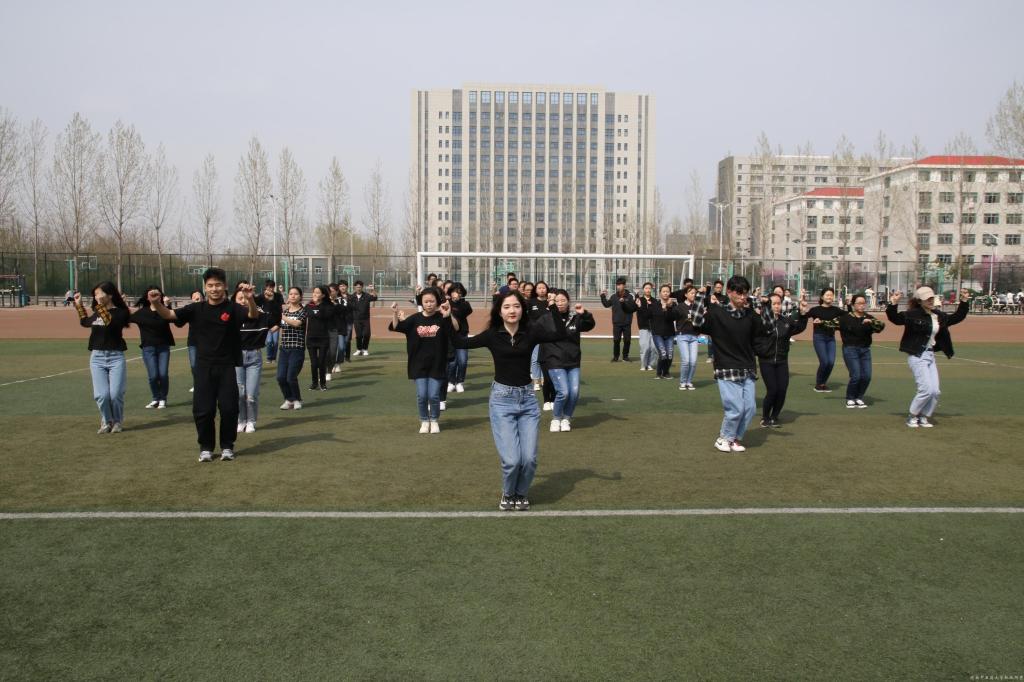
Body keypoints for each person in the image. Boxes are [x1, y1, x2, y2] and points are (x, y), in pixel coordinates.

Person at [453, 290, 567, 511]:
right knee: (512, 460)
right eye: (506, 307)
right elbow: (459, 342)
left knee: (529, 459)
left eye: (516, 306)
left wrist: (553, 308)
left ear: (522, 309)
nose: (512, 310)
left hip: (528, 400)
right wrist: (447, 316)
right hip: (502, 401)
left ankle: (521, 494)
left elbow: (559, 334)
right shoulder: (492, 335)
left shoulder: (531, 332)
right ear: (499, 311)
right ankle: (508, 493)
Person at [149, 268, 259, 462]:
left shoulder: (233, 308)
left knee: (229, 409)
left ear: (225, 286)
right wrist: (156, 303)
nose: (214, 289)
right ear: (205, 287)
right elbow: (169, 315)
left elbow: (252, 315)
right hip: (203, 368)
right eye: (210, 285)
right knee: (203, 410)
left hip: (227, 367)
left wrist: (250, 299)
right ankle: (206, 448)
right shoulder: (196, 309)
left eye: (218, 285)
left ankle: (227, 447)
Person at [691, 276, 767, 452]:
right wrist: (700, 297)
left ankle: (733, 439)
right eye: (739, 293)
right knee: (735, 408)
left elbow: (763, 332)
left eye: (745, 293)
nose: (743, 297)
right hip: (726, 366)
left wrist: (766, 307)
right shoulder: (716, 313)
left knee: (750, 408)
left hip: (747, 367)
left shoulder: (750, 315)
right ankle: (723, 438)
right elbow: (696, 322)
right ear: (729, 292)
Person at [886, 286, 970, 428]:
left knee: (935, 391)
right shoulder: (912, 314)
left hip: (930, 354)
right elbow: (895, 319)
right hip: (917, 355)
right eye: (927, 299)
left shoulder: (938, 315)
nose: (930, 301)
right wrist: (893, 303)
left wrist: (964, 301)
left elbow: (956, 317)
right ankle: (912, 416)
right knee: (926, 389)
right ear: (920, 301)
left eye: (932, 298)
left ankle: (924, 416)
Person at [389, 288, 454, 434]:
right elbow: (396, 326)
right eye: (426, 301)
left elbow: (455, 328)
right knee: (422, 395)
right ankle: (424, 420)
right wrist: (394, 313)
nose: (429, 304)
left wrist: (449, 315)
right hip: (418, 364)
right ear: (421, 303)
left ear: (437, 302)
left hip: (437, 364)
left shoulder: (442, 318)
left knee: (434, 395)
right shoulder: (415, 319)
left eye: (432, 301)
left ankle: (434, 420)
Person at [74, 282, 130, 434]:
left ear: (110, 295)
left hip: (115, 357)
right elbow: (85, 322)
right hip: (97, 357)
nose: (96, 296)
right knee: (102, 395)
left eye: (99, 293)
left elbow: (109, 322)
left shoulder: (121, 312)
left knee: (116, 394)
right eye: (95, 294)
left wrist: (99, 306)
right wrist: (79, 306)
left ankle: (117, 421)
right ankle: (107, 421)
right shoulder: (98, 311)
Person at [539, 290, 595, 432]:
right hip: (554, 361)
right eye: (557, 301)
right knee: (563, 392)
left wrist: (584, 314)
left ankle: (566, 419)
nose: (560, 303)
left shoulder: (575, 317)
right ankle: (556, 418)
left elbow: (589, 325)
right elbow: (533, 331)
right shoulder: (547, 318)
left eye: (563, 300)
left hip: (573, 361)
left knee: (574, 392)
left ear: (568, 301)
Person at [754, 293, 809, 427]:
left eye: (779, 303)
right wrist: (761, 351)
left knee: (782, 390)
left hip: (782, 361)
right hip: (766, 361)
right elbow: (753, 339)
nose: (777, 306)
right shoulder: (761, 321)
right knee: (772, 390)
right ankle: (765, 418)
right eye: (773, 304)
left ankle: (774, 417)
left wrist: (803, 314)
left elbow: (799, 327)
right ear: (768, 306)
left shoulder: (786, 321)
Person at [236, 287, 278, 433]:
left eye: (245, 298)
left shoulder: (260, 316)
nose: (243, 301)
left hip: (254, 356)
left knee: (251, 394)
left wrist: (270, 302)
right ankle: (241, 420)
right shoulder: (231, 317)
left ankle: (251, 421)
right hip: (236, 357)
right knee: (239, 393)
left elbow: (275, 320)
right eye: (240, 298)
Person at [837, 294, 885, 409]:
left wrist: (871, 322)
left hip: (865, 350)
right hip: (850, 349)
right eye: (859, 303)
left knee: (867, 376)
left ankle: (859, 397)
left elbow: (881, 326)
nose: (862, 305)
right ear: (853, 305)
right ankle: (850, 398)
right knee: (856, 375)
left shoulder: (869, 317)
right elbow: (831, 323)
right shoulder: (845, 318)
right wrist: (820, 322)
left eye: (863, 303)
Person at [131, 285, 175, 409]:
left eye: (157, 294)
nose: (155, 296)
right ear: (147, 297)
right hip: (148, 348)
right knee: (153, 376)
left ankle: (163, 399)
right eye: (152, 294)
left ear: (161, 297)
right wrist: (120, 303)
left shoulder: (164, 311)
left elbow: (173, 319)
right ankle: (156, 398)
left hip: (163, 347)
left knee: (163, 374)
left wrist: (168, 306)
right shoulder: (142, 313)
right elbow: (125, 318)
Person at [806, 287, 843, 392]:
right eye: (827, 295)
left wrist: (849, 305)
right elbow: (803, 316)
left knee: (831, 362)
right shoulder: (815, 310)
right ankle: (819, 384)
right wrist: (802, 308)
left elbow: (848, 316)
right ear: (822, 297)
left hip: (831, 338)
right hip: (819, 337)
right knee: (825, 362)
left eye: (831, 295)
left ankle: (823, 383)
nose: (829, 297)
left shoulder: (836, 310)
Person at [277, 287, 307, 410]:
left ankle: (297, 399)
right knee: (280, 377)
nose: (293, 296)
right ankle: (289, 399)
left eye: (296, 294)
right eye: (291, 294)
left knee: (290, 377)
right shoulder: (285, 312)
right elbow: (278, 327)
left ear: (300, 296)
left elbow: (296, 323)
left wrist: (281, 316)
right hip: (284, 349)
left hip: (297, 348)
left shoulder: (303, 311)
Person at [304, 285, 335, 391]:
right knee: (314, 363)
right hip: (311, 338)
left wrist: (318, 305)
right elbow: (303, 317)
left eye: (318, 293)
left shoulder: (328, 306)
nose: (315, 294)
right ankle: (314, 383)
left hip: (323, 338)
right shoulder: (308, 306)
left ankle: (322, 383)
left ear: (323, 295)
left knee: (322, 362)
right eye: (314, 292)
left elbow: (325, 316)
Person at [601, 276, 637, 362]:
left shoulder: (630, 296)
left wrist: (625, 302)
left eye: (620, 285)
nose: (619, 286)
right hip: (616, 323)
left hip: (627, 322)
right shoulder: (613, 296)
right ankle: (616, 357)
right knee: (616, 340)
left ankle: (625, 357)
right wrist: (602, 296)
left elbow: (632, 308)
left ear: (624, 285)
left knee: (627, 341)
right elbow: (606, 304)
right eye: (617, 285)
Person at [446, 282, 472, 394]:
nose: (457, 294)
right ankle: (451, 382)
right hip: (449, 336)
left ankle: (460, 382)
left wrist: (450, 309)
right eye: (454, 292)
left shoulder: (465, 304)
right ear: (450, 292)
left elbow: (460, 314)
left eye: (459, 292)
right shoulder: (446, 303)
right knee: (452, 362)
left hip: (462, 335)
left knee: (462, 361)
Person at [649, 284, 680, 379]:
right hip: (657, 334)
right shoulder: (654, 305)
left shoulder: (673, 305)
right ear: (660, 293)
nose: (666, 293)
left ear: (670, 293)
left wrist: (667, 308)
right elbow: (649, 317)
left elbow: (672, 318)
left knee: (669, 355)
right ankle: (659, 373)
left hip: (670, 334)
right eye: (664, 291)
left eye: (667, 291)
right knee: (663, 354)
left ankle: (666, 373)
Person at [674, 285, 701, 390]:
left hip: (694, 337)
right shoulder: (680, 306)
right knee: (686, 361)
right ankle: (683, 382)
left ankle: (689, 382)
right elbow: (673, 316)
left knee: (693, 362)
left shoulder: (697, 307)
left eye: (695, 293)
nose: (694, 295)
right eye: (691, 293)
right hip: (682, 336)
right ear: (686, 295)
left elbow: (700, 321)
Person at [256, 279, 283, 363]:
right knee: (269, 341)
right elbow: (255, 304)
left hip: (276, 323)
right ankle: (269, 357)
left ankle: (274, 358)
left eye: (272, 287)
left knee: (275, 342)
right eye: (268, 287)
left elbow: (281, 307)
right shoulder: (261, 296)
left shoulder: (278, 296)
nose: (270, 289)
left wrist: (278, 324)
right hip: (266, 322)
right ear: (266, 287)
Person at [183, 290, 203, 393]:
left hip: (206, 342)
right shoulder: (189, 309)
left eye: (198, 296)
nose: (197, 298)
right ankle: (197, 384)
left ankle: (207, 384)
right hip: (193, 342)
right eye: (194, 296)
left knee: (206, 364)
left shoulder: (207, 308)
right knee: (194, 365)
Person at [351, 280, 377, 355]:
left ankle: (365, 349)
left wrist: (373, 290)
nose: (358, 288)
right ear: (354, 287)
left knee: (367, 334)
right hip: (356, 319)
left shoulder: (366, 296)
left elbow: (375, 298)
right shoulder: (352, 297)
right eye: (357, 287)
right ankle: (359, 349)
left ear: (362, 287)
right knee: (359, 335)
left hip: (365, 319)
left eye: (360, 287)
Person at [635, 282, 656, 371]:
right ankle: (643, 365)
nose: (648, 290)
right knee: (645, 347)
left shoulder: (655, 301)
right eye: (646, 288)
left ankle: (650, 364)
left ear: (651, 290)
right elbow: (639, 312)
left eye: (649, 288)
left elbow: (654, 313)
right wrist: (638, 305)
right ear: (643, 290)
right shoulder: (639, 300)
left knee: (654, 347)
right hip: (643, 327)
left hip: (654, 327)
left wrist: (650, 305)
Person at [704, 280, 724, 363]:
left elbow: (725, 308)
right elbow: (703, 302)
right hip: (711, 322)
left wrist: (717, 301)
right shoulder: (709, 297)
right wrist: (707, 289)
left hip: (721, 322)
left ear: (722, 288)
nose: (718, 289)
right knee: (710, 341)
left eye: (720, 287)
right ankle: (710, 356)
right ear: (714, 288)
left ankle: (720, 356)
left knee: (721, 341)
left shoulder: (724, 298)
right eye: (717, 287)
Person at [335, 280, 354, 365]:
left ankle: (347, 356)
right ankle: (339, 359)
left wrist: (347, 302)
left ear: (347, 287)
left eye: (344, 286)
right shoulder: (336, 297)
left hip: (348, 321)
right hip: (339, 322)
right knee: (340, 342)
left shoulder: (351, 297)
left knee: (347, 340)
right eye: (341, 286)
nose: (342, 287)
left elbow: (354, 307)